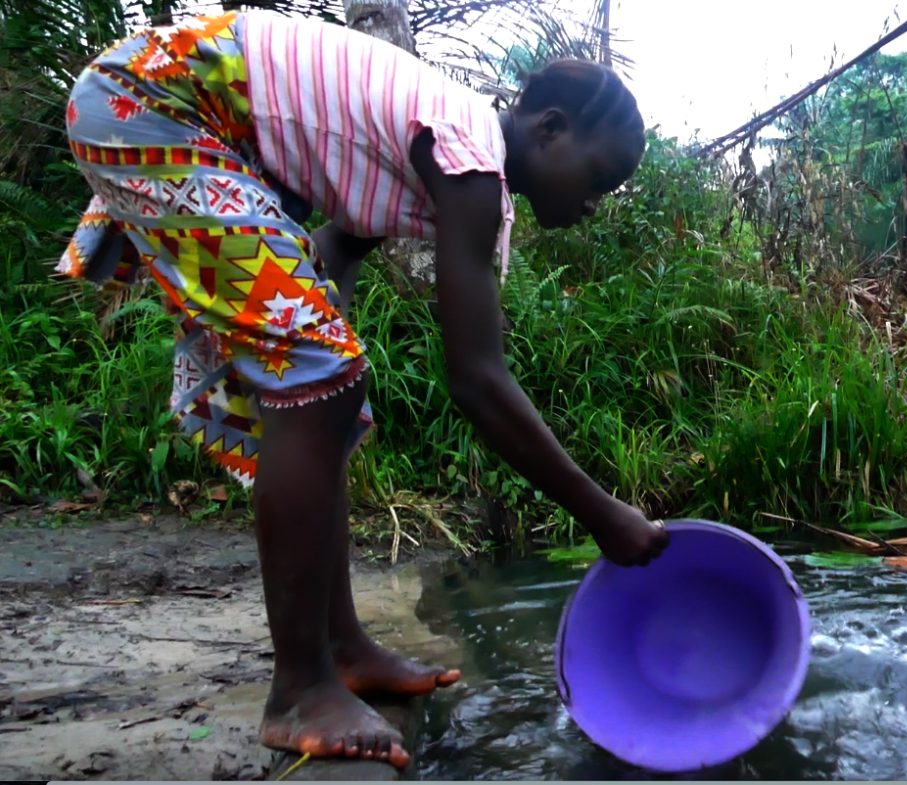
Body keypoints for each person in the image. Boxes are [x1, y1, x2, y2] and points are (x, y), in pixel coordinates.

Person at [58, 7, 670, 771]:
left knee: (328, 387)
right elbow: (477, 381)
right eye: (599, 179)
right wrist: (602, 512)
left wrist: (323, 331)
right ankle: (299, 687)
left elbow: (337, 243)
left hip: (191, 119)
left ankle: (340, 648)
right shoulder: (467, 157)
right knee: (321, 378)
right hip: (156, 103)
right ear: (549, 130)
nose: (591, 205)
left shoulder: (446, 148)